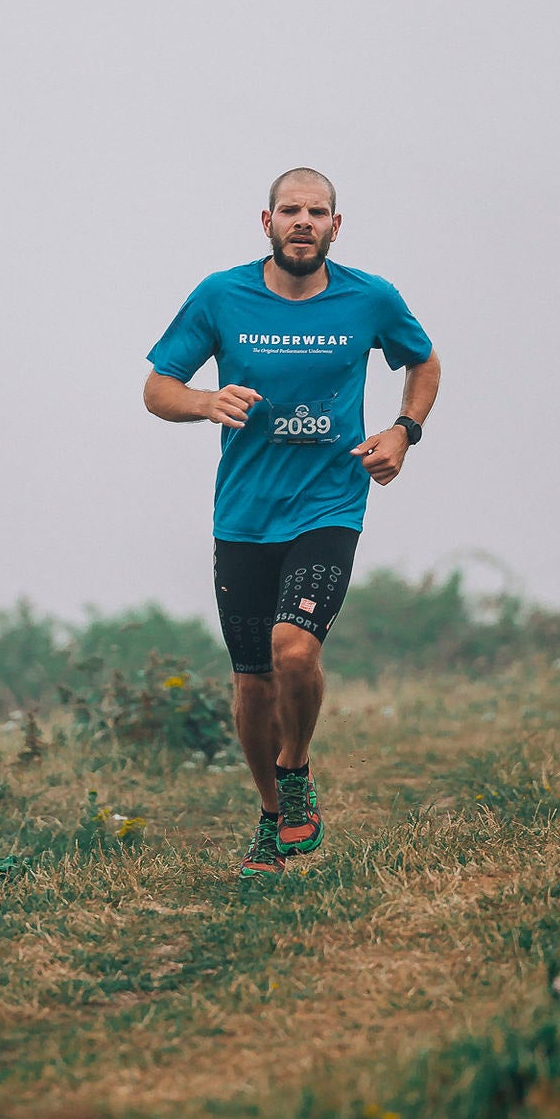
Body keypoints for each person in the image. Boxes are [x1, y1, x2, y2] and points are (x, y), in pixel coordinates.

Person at [144, 168, 440, 877]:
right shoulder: (221, 295)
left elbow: (423, 362)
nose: (302, 221)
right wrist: (205, 402)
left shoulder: (370, 298)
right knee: (252, 683)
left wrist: (403, 431)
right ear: (267, 222)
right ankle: (273, 817)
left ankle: (296, 768)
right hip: (244, 515)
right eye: (289, 210)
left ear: (336, 226)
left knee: (295, 651)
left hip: (329, 503)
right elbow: (157, 388)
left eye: (316, 211)